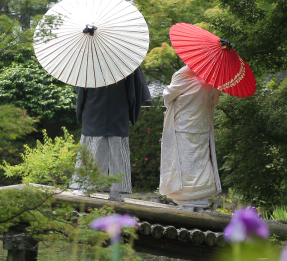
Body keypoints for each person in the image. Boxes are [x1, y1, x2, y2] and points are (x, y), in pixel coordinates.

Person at [71, 67, 152, 201]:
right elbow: (136, 90)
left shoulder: (89, 58)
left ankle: (86, 186)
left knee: (92, 148)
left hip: (94, 106)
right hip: (118, 106)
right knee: (117, 150)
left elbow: (80, 86)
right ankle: (116, 191)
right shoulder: (127, 59)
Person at [158, 65, 221, 211]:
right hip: (202, 125)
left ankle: (187, 202)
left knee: (185, 164)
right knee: (201, 162)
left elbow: (168, 96)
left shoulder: (183, 73)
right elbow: (214, 101)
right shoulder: (214, 77)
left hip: (184, 124)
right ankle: (200, 201)